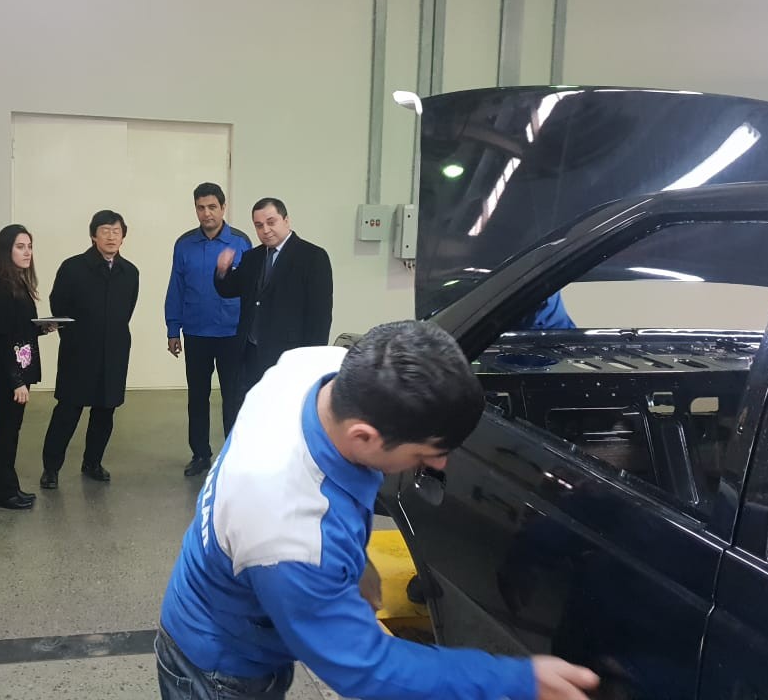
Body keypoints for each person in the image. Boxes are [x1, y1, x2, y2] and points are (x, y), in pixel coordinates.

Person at [155, 320, 601, 700]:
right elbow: (364, 668)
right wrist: (517, 679)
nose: (440, 465)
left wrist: (355, 562)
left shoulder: (314, 369)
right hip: (219, 668)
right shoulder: (291, 536)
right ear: (364, 436)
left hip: (236, 596)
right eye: (425, 453)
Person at [40, 210, 139, 488]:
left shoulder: (130, 272)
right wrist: (74, 337)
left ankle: (93, 462)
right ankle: (51, 468)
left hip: (114, 351)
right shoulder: (73, 268)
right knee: (68, 410)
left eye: (116, 231)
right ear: (93, 235)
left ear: (123, 236)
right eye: (105, 230)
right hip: (79, 351)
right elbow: (59, 306)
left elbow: (127, 310)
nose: (111, 236)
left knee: (105, 410)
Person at [214, 197, 332, 421]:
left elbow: (320, 316)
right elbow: (229, 289)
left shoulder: (313, 257)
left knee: (281, 416)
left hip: (288, 355)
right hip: (250, 353)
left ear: (286, 220)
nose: (265, 230)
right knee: (249, 413)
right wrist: (222, 270)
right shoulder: (252, 257)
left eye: (271, 222)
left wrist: (311, 361)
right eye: (259, 225)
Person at [165, 182, 253, 478]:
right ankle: (200, 454)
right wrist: (173, 328)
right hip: (196, 332)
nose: (207, 213)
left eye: (212, 207)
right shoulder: (184, 244)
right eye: (201, 208)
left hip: (232, 333)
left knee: (233, 397)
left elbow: (250, 289)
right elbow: (176, 287)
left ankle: (234, 455)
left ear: (223, 207)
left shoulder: (240, 242)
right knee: (197, 396)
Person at [0, 224, 51, 510]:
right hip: (9, 371)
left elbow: (19, 329)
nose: (27, 252)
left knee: (10, 428)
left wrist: (42, 328)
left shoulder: (17, 284)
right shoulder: (1, 288)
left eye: (29, 246)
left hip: (17, 366)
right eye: (20, 247)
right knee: (7, 429)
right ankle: (2, 492)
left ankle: (1, 486)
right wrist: (16, 380)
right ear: (6, 251)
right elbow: (2, 337)